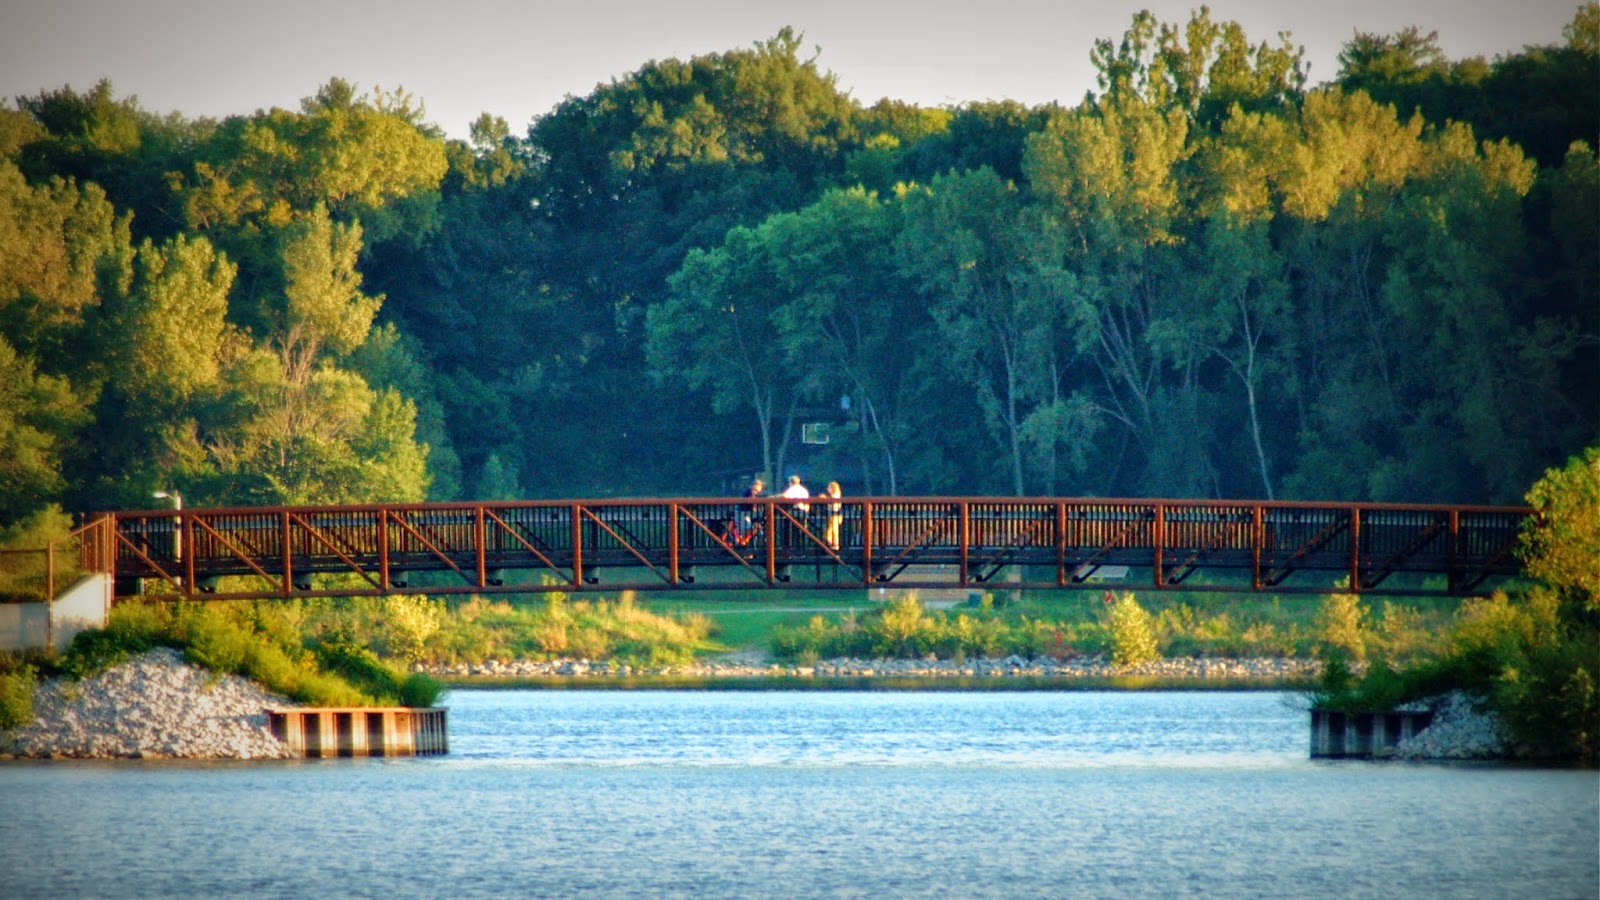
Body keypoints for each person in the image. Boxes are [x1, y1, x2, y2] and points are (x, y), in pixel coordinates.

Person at [825, 481, 843, 550]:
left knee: (833, 530)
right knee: (832, 530)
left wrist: (826, 500)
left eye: (829, 488)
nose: (828, 489)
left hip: (834, 515)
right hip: (836, 515)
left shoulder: (835, 496)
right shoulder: (837, 495)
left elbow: (834, 507)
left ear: (832, 488)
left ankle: (833, 546)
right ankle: (833, 545)